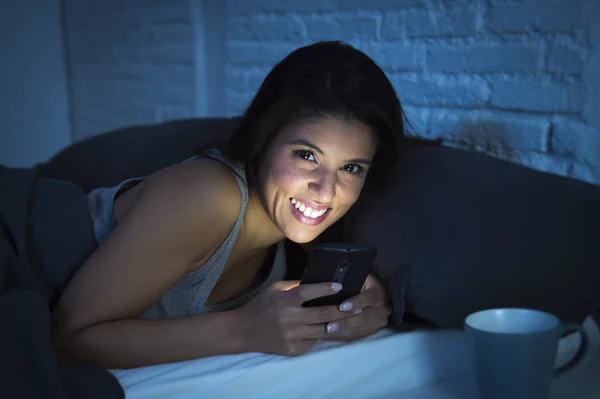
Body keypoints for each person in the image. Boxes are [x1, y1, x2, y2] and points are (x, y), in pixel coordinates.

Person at [51, 40, 408, 370]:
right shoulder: (207, 197)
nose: (326, 192)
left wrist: (368, 305)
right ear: (263, 139)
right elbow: (69, 337)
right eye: (305, 155)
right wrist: (242, 329)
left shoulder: (296, 233)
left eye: (351, 168)